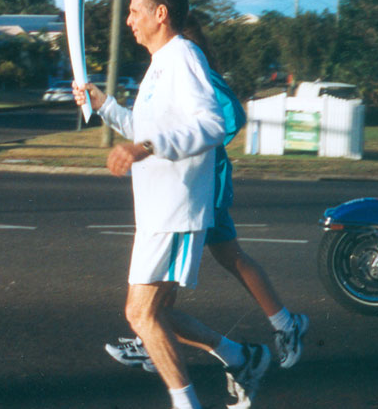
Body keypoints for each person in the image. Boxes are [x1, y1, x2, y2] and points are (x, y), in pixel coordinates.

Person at [73, 0, 270, 409]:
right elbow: (148, 126)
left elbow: (211, 124)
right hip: (159, 210)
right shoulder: (162, 64)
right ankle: (242, 358)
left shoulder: (183, 56)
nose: (129, 20)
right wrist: (106, 107)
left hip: (176, 210)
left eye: (135, 11)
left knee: (142, 316)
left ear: (161, 13)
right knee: (154, 314)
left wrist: (145, 147)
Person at [105, 52, 308, 374]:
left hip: (203, 182)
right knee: (223, 257)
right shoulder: (167, 68)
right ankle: (284, 323)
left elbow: (229, 119)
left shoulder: (191, 67)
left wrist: (201, 149)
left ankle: (285, 324)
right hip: (193, 183)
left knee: (224, 257)